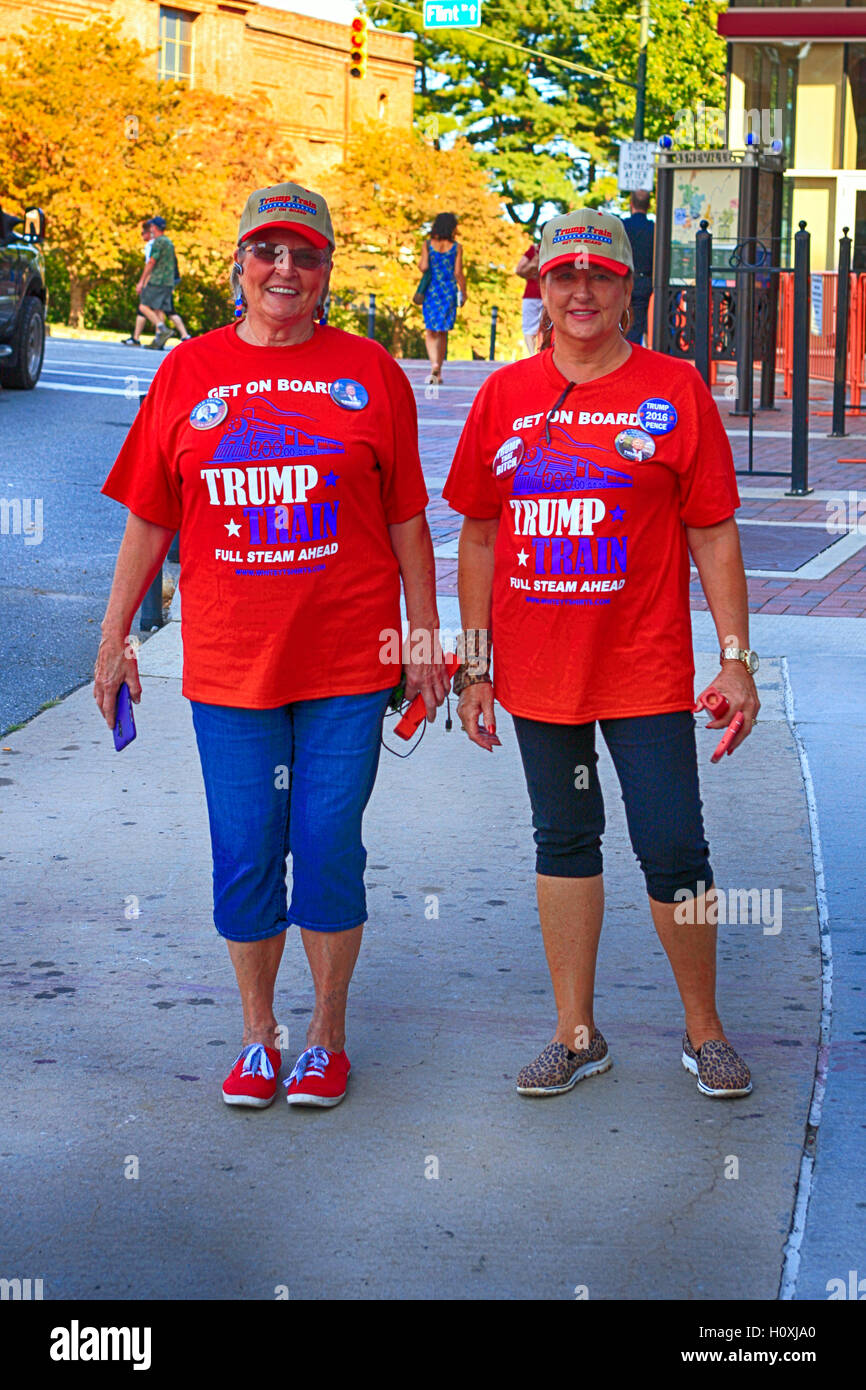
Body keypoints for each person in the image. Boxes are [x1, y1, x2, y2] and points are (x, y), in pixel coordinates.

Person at [95, 180, 449, 1112]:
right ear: (237, 267)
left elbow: (409, 520)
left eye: (305, 254)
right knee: (247, 849)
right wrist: (116, 636)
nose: (285, 269)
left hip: (346, 660)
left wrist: (426, 638)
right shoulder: (187, 373)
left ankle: (327, 1034)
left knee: (327, 843)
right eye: (268, 252)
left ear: (327, 270)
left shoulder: (371, 372)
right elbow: (147, 517)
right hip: (230, 664)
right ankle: (260, 1036)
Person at [443, 207, 760, 1103]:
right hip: (539, 676)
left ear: (631, 290)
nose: (581, 290)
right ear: (540, 287)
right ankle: (577, 1034)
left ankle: (705, 1032)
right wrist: (473, 664)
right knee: (565, 841)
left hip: (643, 669)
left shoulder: (676, 391)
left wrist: (737, 657)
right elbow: (476, 538)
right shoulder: (503, 395)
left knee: (673, 848)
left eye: (602, 275)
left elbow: (714, 532)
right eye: (563, 274)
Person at [418, 212, 466, 386]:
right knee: (443, 331)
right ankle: (439, 371)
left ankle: (434, 364)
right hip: (448, 291)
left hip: (431, 290)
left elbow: (423, 266)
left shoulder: (427, 245)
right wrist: (464, 292)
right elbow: (458, 273)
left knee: (430, 329)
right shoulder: (456, 247)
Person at [621, 189, 654, 345]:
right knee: (637, 325)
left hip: (622, 278)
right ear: (648, 206)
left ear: (631, 204)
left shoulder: (622, 226)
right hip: (644, 281)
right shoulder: (653, 229)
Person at [515, 238, 543, 354]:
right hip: (550, 293)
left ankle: (532, 355)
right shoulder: (555, 248)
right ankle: (541, 354)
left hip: (531, 294)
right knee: (546, 327)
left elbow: (519, 269)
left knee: (529, 327)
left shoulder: (535, 249)